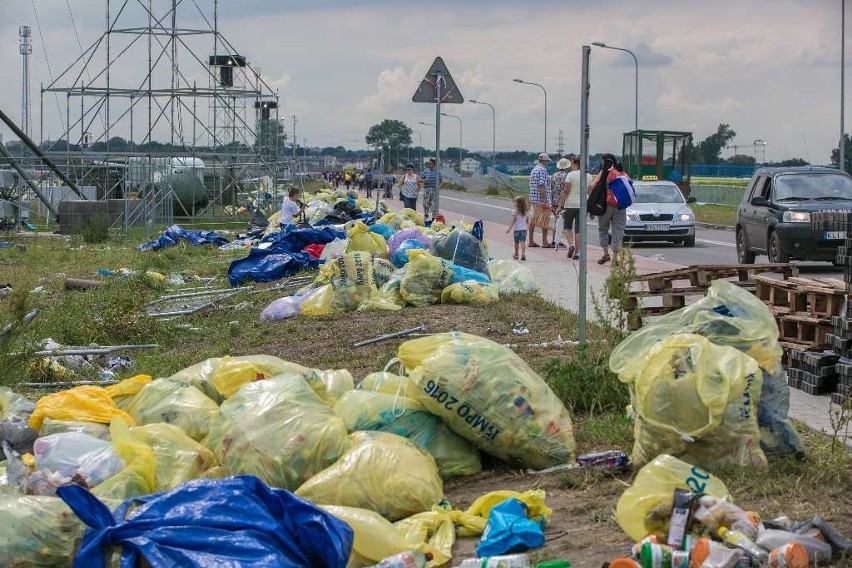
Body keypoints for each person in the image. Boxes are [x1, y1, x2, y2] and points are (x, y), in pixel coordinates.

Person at [589, 154, 630, 265]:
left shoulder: (604, 173)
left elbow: (593, 187)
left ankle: (606, 253)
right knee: (618, 230)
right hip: (620, 207)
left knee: (603, 229)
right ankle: (615, 257)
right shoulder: (622, 173)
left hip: (605, 206)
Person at [557, 157, 589, 260]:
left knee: (567, 227)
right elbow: (590, 191)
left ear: (575, 164)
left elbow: (566, 191)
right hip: (583, 205)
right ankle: (577, 253)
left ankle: (571, 245)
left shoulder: (570, 175)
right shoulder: (587, 176)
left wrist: (559, 206)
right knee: (579, 230)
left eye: (572, 163)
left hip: (570, 204)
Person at [527, 152, 554, 248]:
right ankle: (545, 241)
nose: (547, 163)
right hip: (541, 199)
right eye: (547, 161)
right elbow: (541, 185)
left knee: (533, 219)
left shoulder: (534, 169)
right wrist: (545, 200)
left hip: (534, 198)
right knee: (545, 220)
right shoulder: (542, 170)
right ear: (545, 161)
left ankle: (530, 240)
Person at [550, 158, 570, 249]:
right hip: (562, 201)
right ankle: (559, 240)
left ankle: (554, 239)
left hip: (554, 200)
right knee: (562, 221)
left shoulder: (553, 175)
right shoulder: (567, 176)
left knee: (556, 220)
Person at [506, 195, 530, 261]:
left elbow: (513, 221)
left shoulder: (515, 212)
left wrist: (509, 228)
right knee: (523, 242)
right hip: (524, 230)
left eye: (515, 202)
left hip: (516, 230)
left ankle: (516, 254)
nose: (514, 203)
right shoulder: (526, 212)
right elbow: (527, 221)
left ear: (518, 204)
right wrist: (527, 227)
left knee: (516, 243)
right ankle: (523, 254)